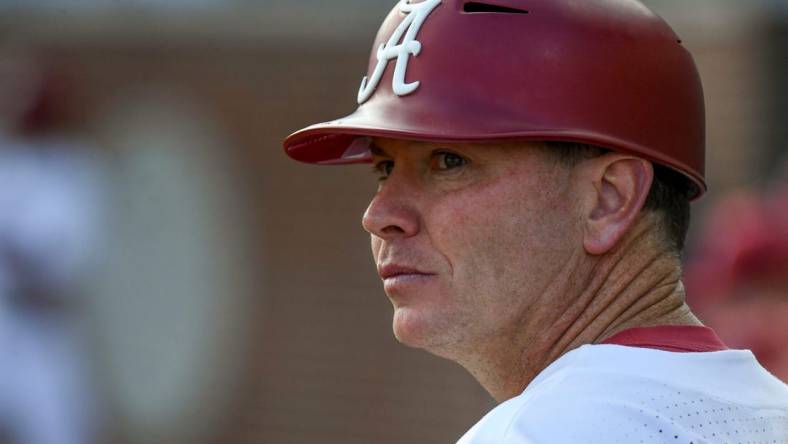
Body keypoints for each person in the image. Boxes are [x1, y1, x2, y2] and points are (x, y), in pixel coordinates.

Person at [283, 0, 788, 442]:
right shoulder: (772, 410)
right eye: (385, 167)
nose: (379, 216)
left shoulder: (541, 431)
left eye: (448, 161)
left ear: (609, 199)